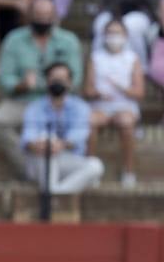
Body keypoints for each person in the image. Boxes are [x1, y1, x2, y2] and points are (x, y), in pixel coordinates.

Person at [0, 0, 83, 127]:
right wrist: (21, 85)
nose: (43, 20)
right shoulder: (14, 40)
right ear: (29, 15)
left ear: (55, 17)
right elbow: (5, 78)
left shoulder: (69, 41)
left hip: (60, 100)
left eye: (47, 15)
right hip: (23, 100)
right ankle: (23, 148)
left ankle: (60, 147)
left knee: (81, 121)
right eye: (38, 15)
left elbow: (76, 79)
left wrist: (56, 84)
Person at [21, 61, 104, 193]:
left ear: (70, 82)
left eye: (62, 79)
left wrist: (59, 145)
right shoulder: (34, 107)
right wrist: (43, 145)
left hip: (67, 160)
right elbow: (28, 138)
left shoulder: (81, 107)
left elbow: (78, 138)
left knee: (95, 166)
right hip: (40, 160)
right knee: (46, 139)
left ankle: (55, 193)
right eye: (54, 79)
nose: (57, 82)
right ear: (47, 81)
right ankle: (55, 192)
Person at [84, 16, 143, 185]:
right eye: (110, 33)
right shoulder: (96, 57)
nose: (114, 37)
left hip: (125, 106)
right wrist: (98, 94)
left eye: (118, 33)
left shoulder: (133, 58)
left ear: (125, 36)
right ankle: (91, 171)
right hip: (100, 106)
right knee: (89, 122)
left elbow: (139, 92)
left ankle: (129, 171)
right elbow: (87, 90)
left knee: (126, 123)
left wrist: (122, 88)